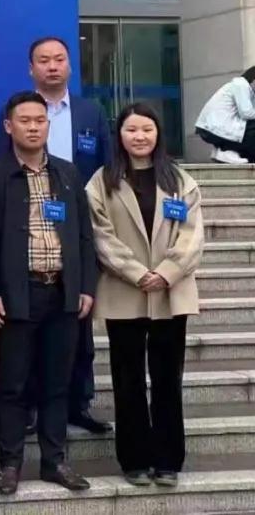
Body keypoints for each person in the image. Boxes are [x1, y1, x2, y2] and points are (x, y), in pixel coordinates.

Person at [0, 37, 112, 435]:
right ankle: (28, 409)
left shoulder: (91, 112)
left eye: (59, 59)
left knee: (78, 329)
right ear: (32, 68)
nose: (52, 66)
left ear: (70, 66)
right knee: (27, 341)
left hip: (78, 225)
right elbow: (0, 166)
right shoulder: (16, 111)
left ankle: (80, 403)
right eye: (43, 60)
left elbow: (106, 167)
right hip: (28, 231)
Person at [0, 91, 97, 496]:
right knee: (12, 384)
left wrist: (86, 286)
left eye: (40, 120)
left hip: (62, 292)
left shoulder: (67, 173)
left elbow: (84, 235)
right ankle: (10, 463)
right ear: (8, 126)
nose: (33, 127)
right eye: (25, 121)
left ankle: (55, 461)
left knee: (56, 383)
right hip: (19, 293)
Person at [86, 103, 205, 487]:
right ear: (119, 135)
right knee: (128, 378)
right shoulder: (102, 181)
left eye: (147, 129)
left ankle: (168, 459)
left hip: (172, 292)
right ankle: (134, 458)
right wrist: (138, 273)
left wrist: (166, 273)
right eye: (131, 130)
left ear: (158, 134)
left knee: (168, 378)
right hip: (124, 290)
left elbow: (191, 236)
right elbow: (100, 235)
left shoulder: (180, 180)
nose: (139, 136)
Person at [194, 66, 255, 163]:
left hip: (213, 128)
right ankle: (226, 150)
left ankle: (228, 151)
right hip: (213, 129)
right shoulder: (241, 85)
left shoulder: (245, 89)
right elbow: (247, 113)